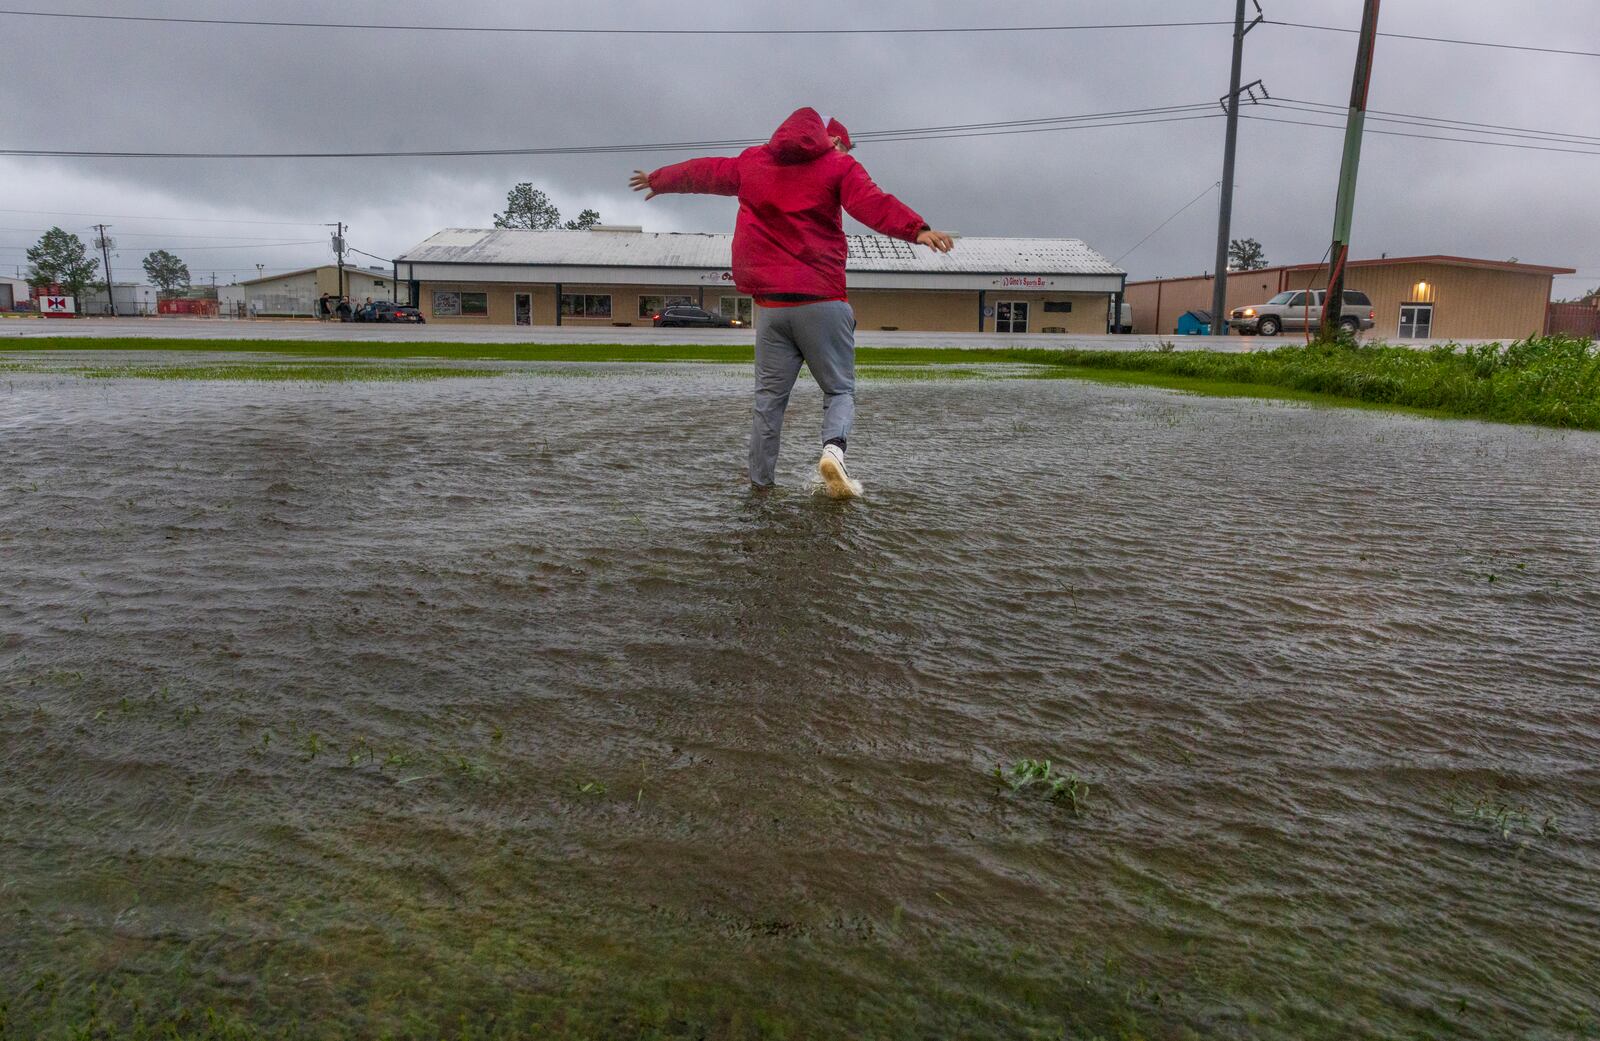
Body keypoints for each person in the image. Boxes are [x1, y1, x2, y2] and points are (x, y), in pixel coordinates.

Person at [631, 107, 953, 497]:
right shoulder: (838, 167)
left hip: (772, 309)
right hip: (822, 301)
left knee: (768, 403)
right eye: (844, 148)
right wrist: (916, 229)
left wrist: (660, 180)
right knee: (838, 391)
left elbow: (707, 172)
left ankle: (760, 487)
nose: (846, 153)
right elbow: (872, 202)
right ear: (830, 140)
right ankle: (833, 450)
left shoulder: (752, 162)